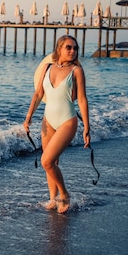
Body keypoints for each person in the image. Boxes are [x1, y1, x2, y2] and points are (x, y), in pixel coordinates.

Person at [23, 35, 91, 214]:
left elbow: (82, 100)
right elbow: (38, 95)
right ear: (59, 48)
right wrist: (29, 116)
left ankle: (65, 195)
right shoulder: (46, 68)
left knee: (46, 161)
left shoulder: (76, 71)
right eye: (69, 47)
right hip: (48, 121)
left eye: (75, 48)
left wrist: (87, 127)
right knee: (52, 161)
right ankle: (53, 198)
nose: (73, 51)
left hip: (67, 120)